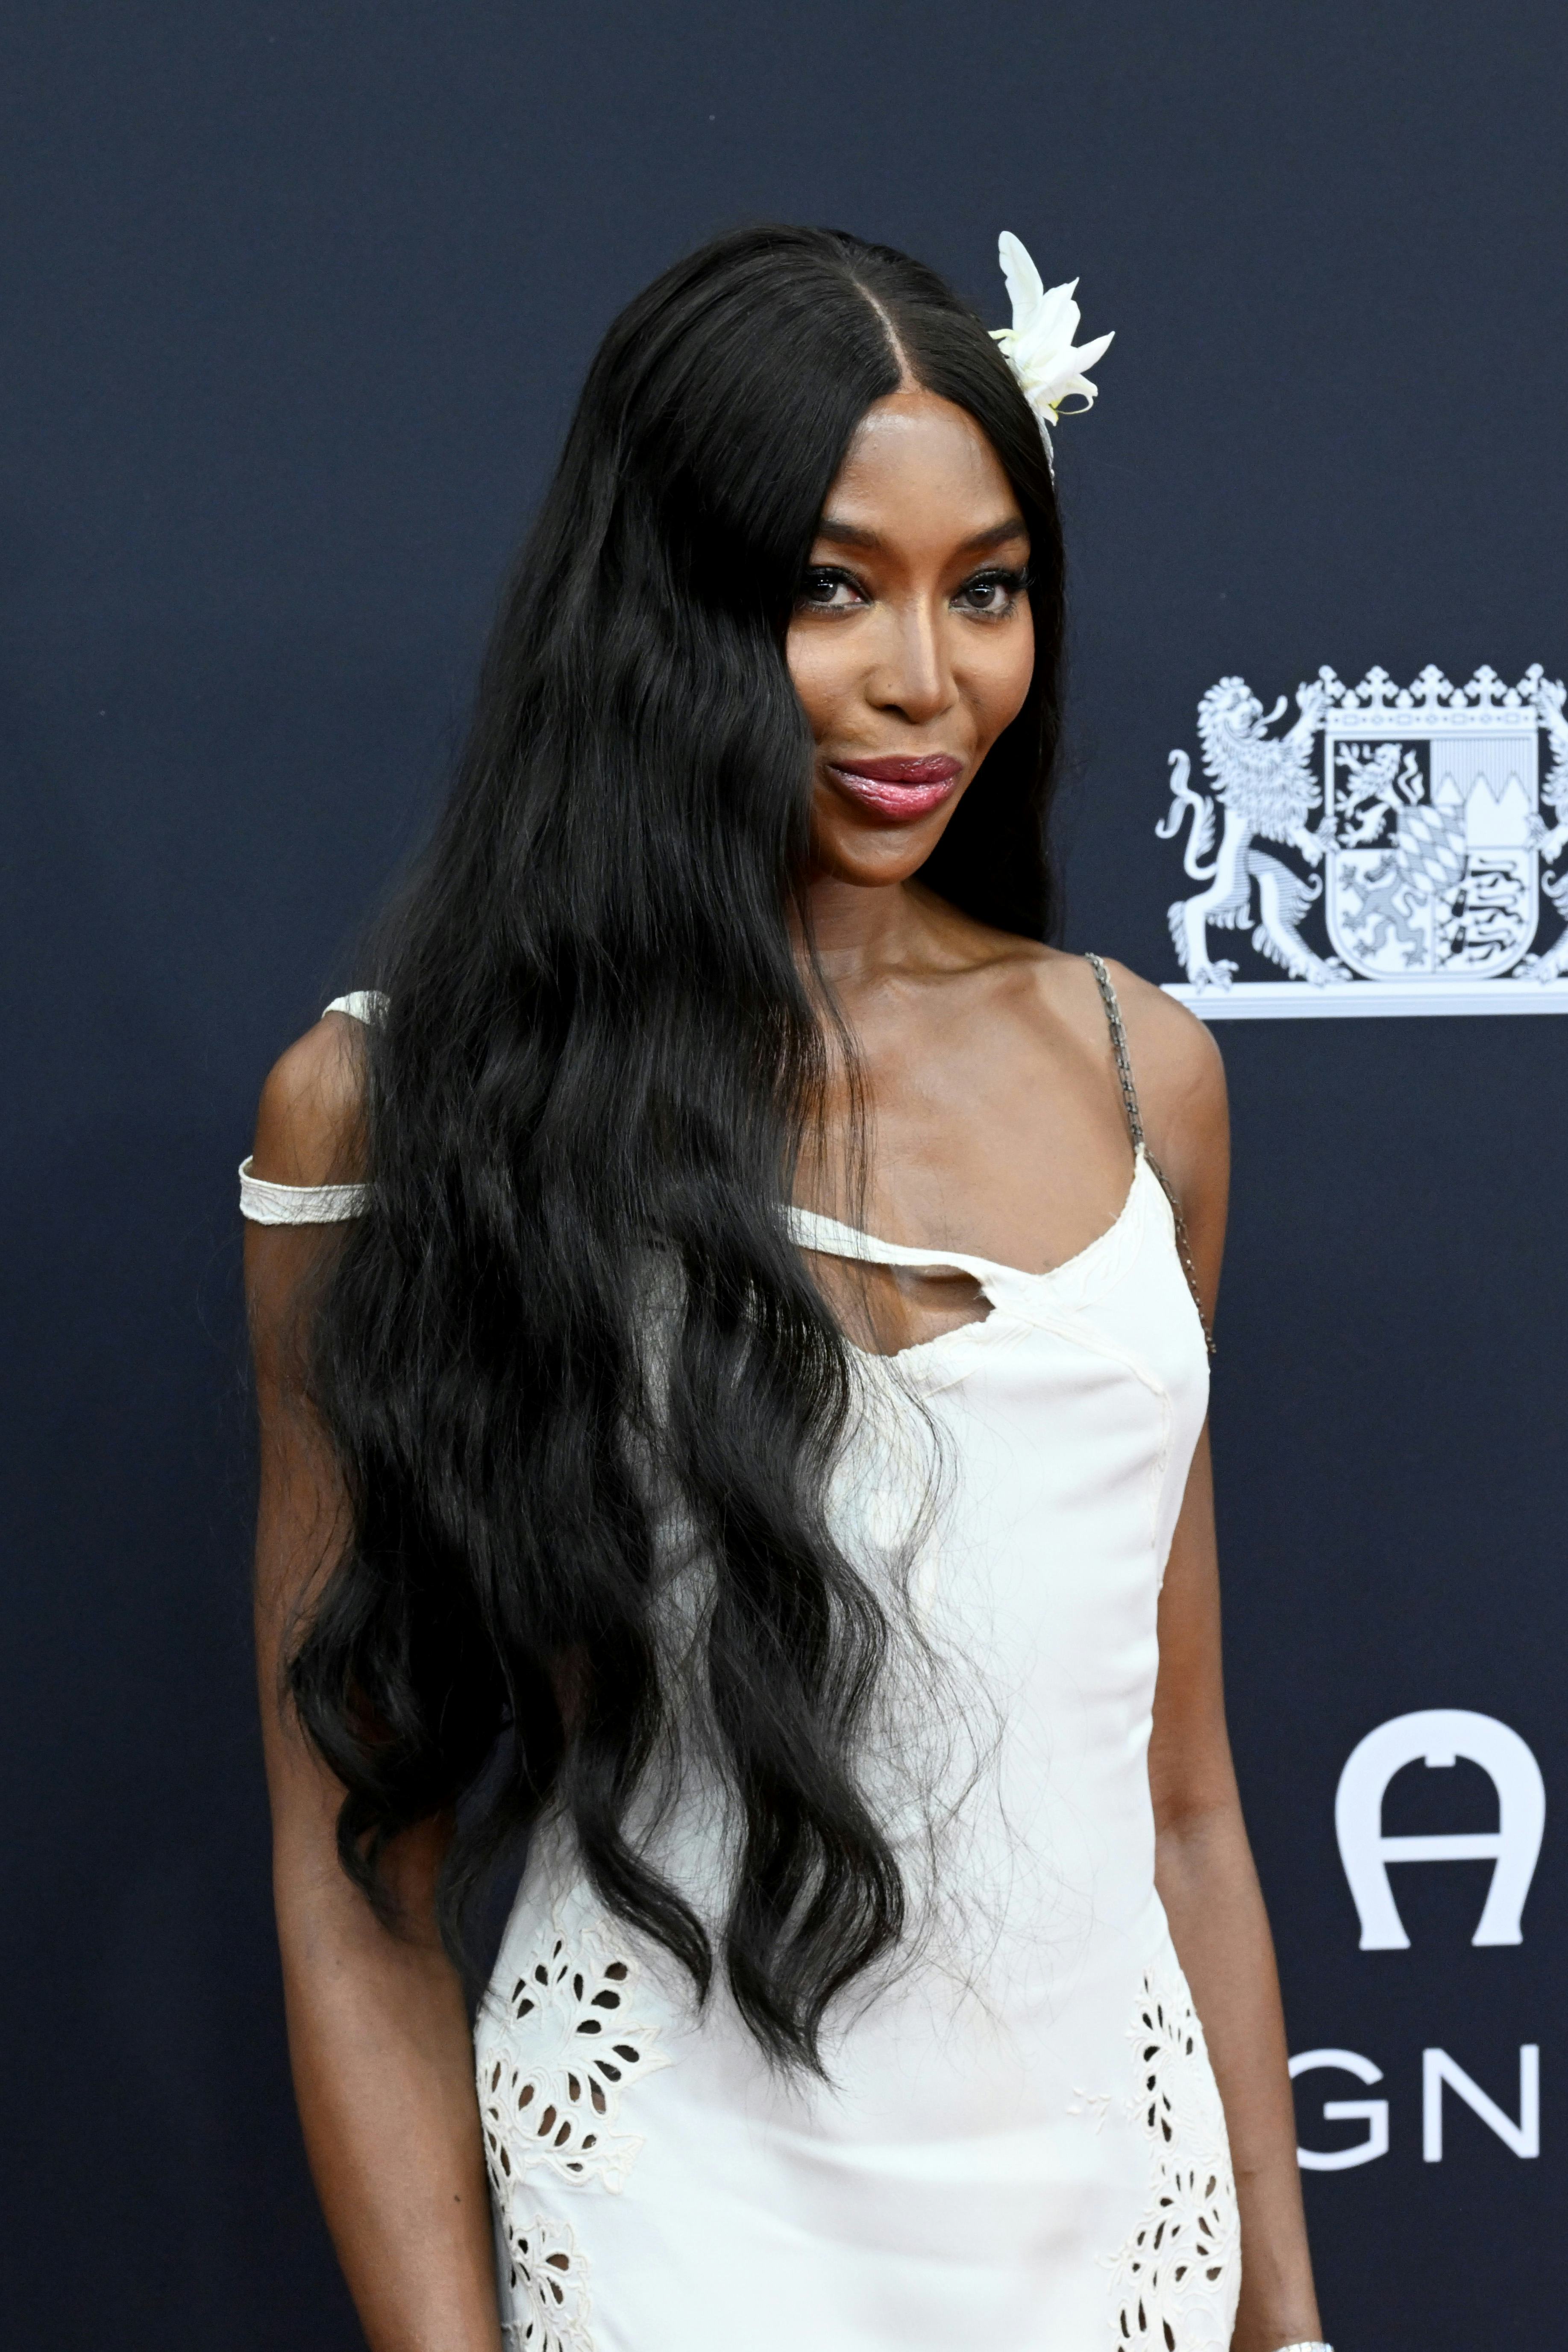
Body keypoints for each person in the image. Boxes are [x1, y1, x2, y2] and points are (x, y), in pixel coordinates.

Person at [242, 224, 1329, 2352]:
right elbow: (349, 1860)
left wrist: (1286, 2324)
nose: (930, 677)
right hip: (668, 2246)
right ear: (660, 604)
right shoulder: (390, 1111)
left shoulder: (1149, 1078)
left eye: (987, 585)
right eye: (834, 585)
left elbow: (1179, 1795)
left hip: (1120, 2255)